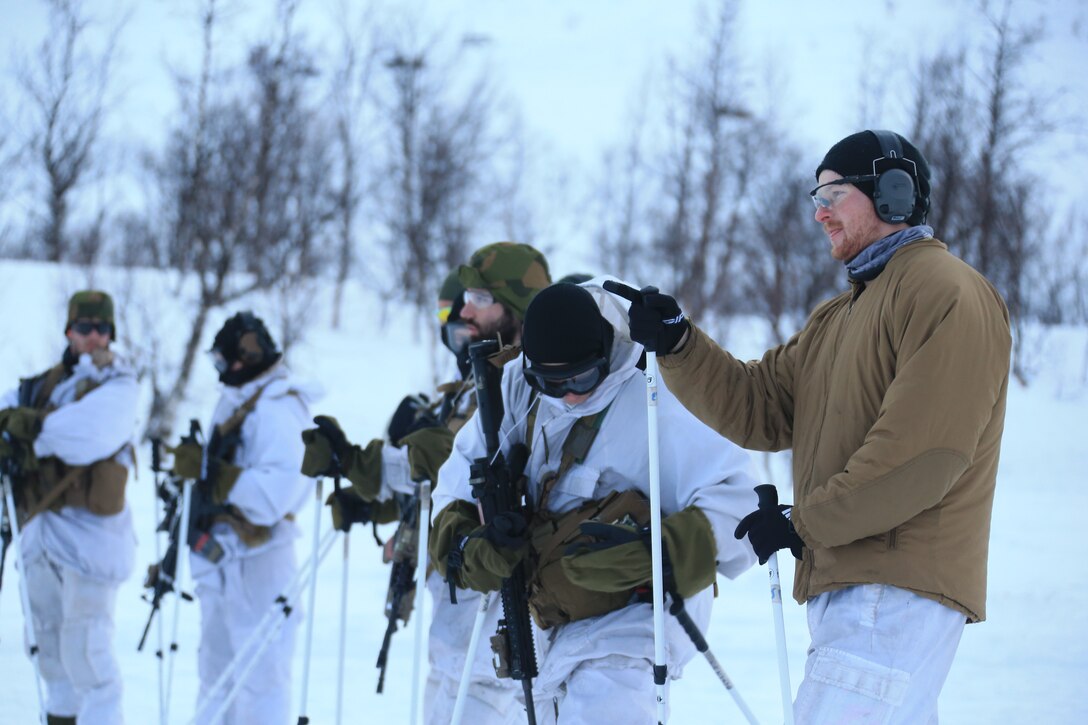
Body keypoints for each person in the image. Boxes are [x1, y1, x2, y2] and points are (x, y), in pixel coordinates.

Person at [623, 130, 1011, 723]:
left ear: (894, 193)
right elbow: (760, 405)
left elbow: (922, 456)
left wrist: (804, 522)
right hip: (855, 582)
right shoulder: (841, 314)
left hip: (892, 584)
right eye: (816, 196)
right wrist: (679, 341)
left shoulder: (944, 290)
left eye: (834, 192)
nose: (819, 210)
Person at [429, 280, 758, 723]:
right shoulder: (515, 389)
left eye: (581, 377)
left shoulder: (659, 394)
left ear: (604, 351)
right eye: (550, 381)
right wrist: (470, 547)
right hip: (548, 621)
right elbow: (454, 485)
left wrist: (655, 550)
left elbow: (742, 500)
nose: (568, 394)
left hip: (635, 624)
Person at [301, 241, 552, 724]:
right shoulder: (470, 390)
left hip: (500, 635)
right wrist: (368, 502)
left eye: (479, 298)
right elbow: (441, 488)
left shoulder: (532, 391)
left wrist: (356, 460)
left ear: (517, 306)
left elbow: (440, 461)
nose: (462, 312)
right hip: (455, 631)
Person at [169, 311, 320, 725]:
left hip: (262, 561)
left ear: (245, 357)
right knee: (215, 672)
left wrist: (214, 476)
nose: (219, 372)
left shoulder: (278, 407)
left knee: (260, 680)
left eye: (223, 362)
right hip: (223, 557)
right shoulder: (239, 397)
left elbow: (277, 494)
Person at [0, 290, 138, 725]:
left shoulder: (120, 383)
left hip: (92, 544)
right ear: (69, 331)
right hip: (41, 535)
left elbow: (87, 434)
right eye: (85, 328)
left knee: (88, 655)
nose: (94, 337)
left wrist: (27, 434)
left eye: (102, 329)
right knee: (49, 652)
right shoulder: (40, 386)